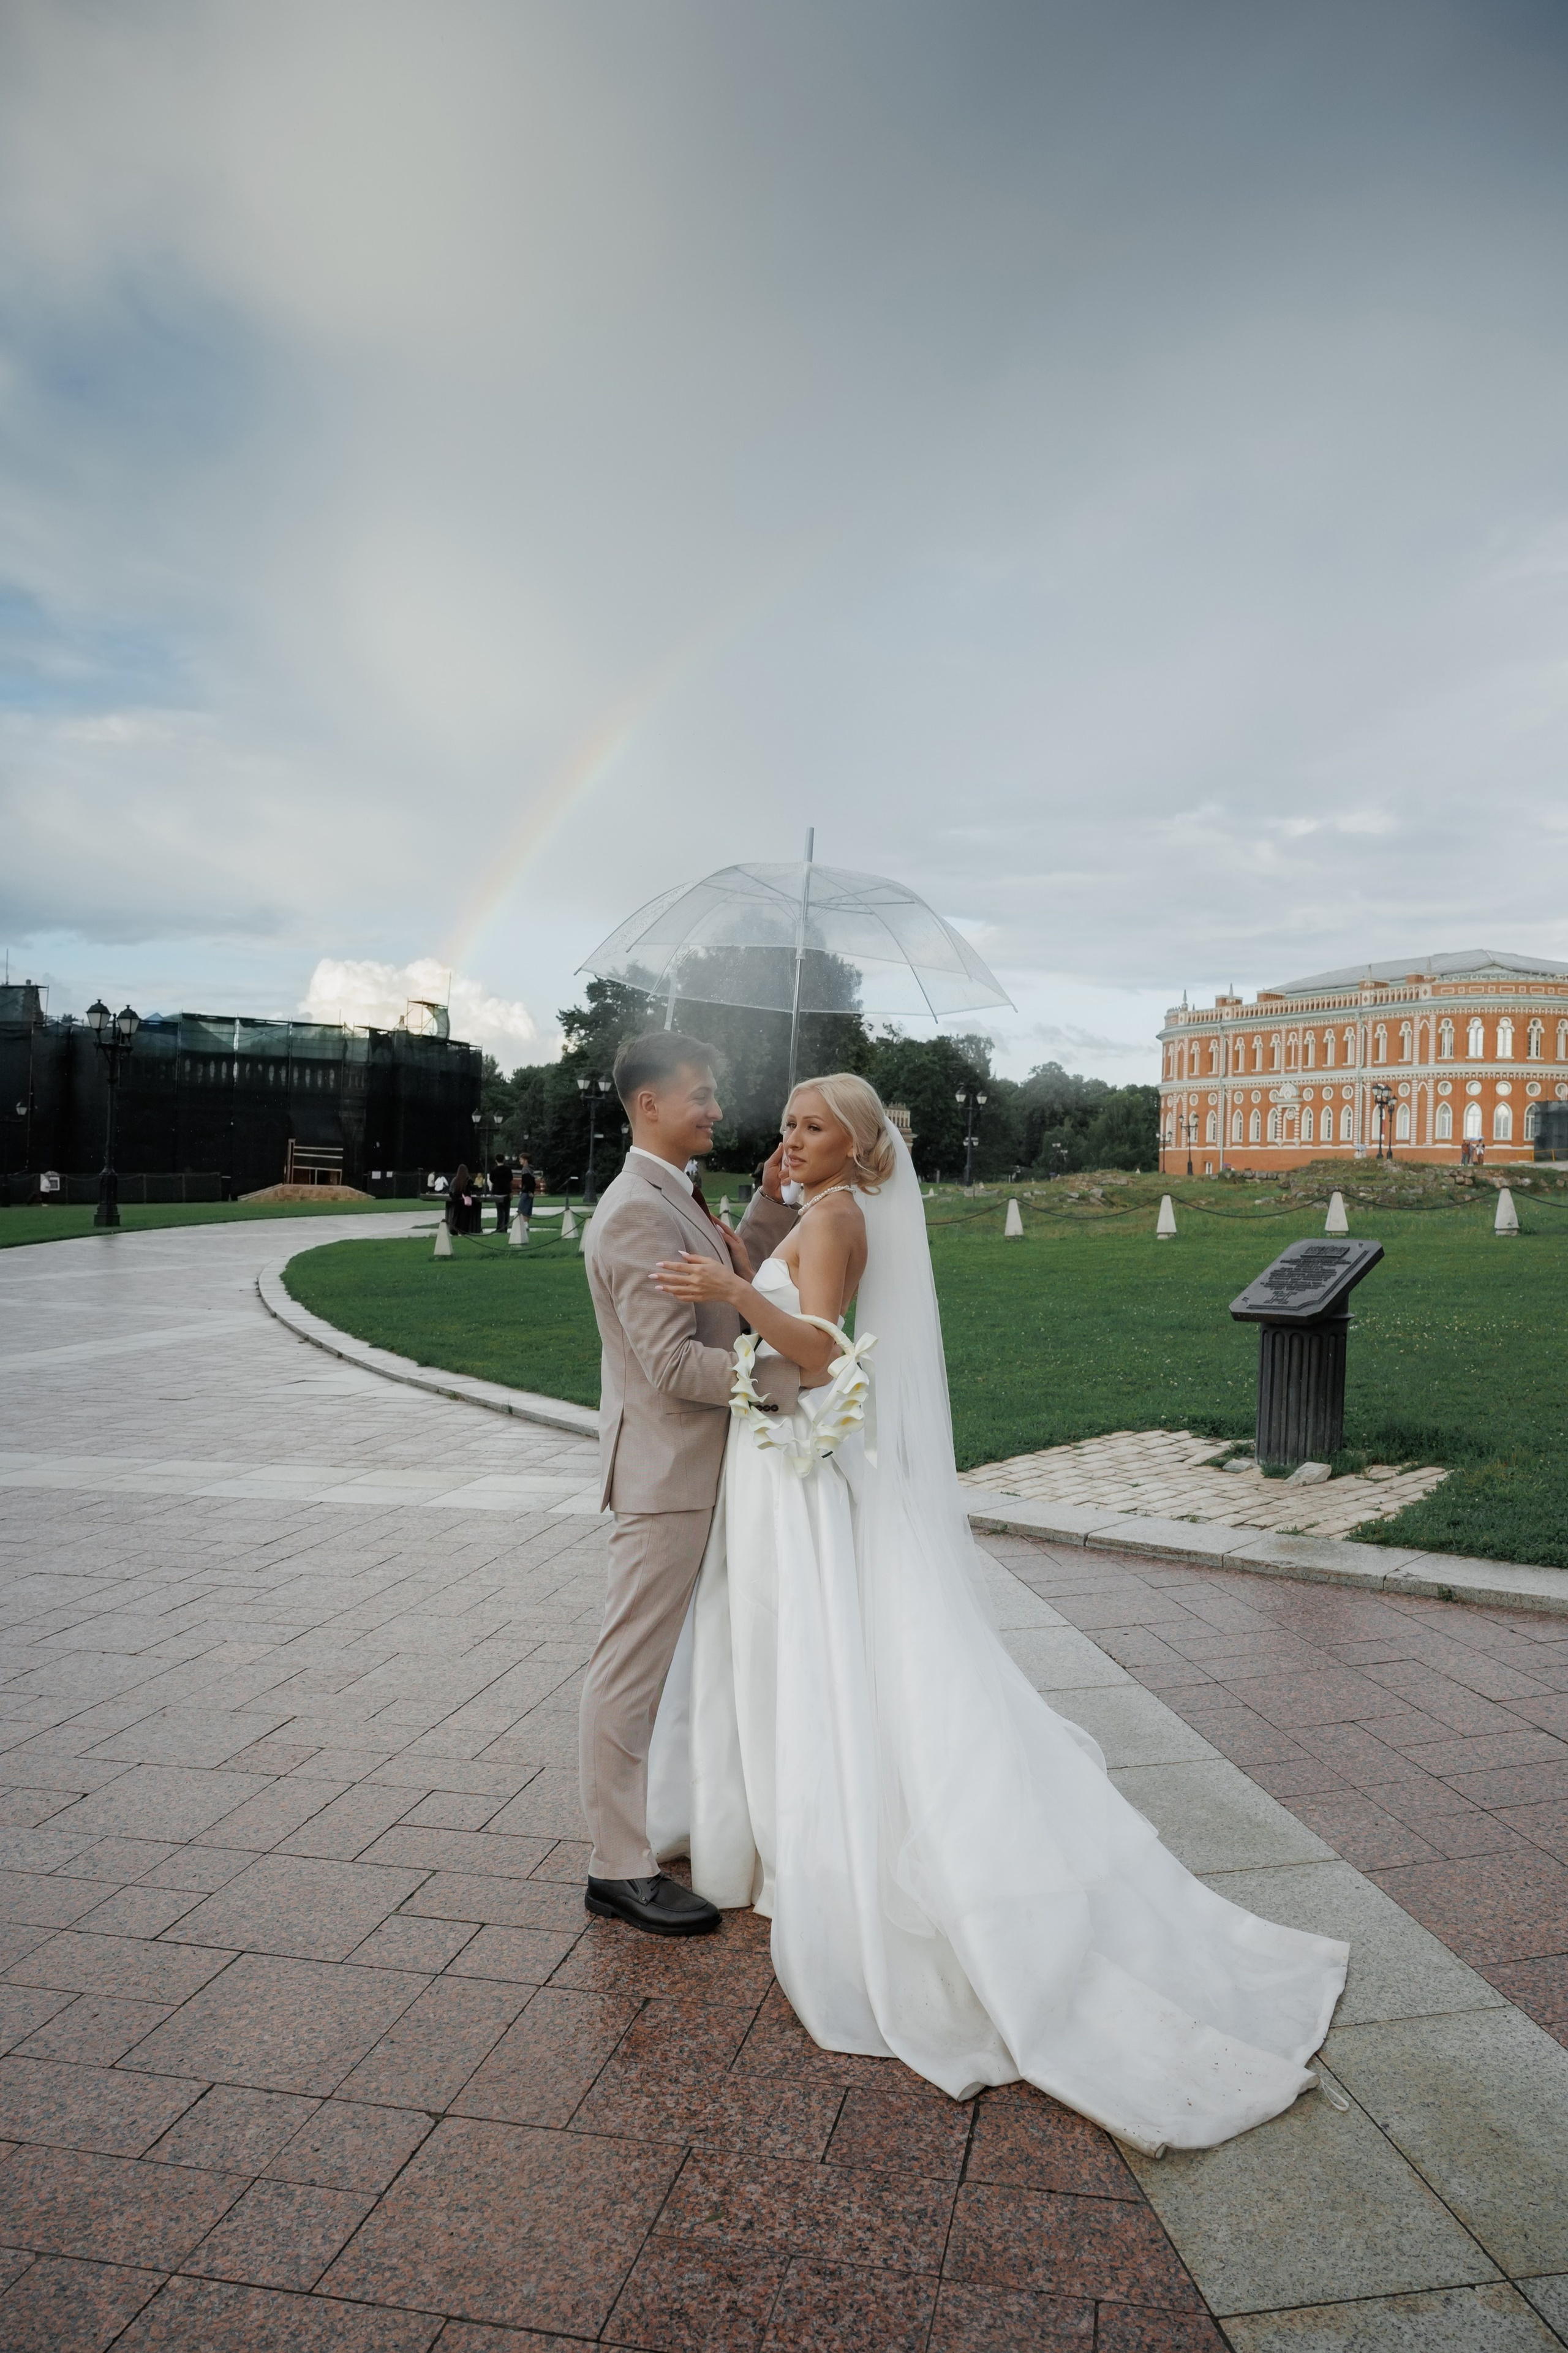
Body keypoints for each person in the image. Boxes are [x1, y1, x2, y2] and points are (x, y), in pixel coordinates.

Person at [646, 1071, 1348, 2156]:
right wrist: (756, 1248)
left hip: (794, 1465)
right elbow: (795, 1300)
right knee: (786, 1646)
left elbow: (821, 1348)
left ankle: (826, 1853)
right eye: (786, 1122)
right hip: (778, 1457)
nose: (791, 1138)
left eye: (813, 1125)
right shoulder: (814, 1211)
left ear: (857, 1144)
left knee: (814, 1650)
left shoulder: (838, 1220)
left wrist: (739, 1295)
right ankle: (784, 1835)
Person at [578, 1032, 800, 1936]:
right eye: (700, 1095)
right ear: (649, 1105)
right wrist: (793, 1378)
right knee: (628, 1669)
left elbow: (723, 1283)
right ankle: (616, 1866)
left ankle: (667, 1824)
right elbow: (672, 1364)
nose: (715, 1107)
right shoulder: (635, 1211)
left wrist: (772, 1203)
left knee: (666, 1667)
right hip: (666, 1475)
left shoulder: (676, 1195)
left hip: (703, 1466)